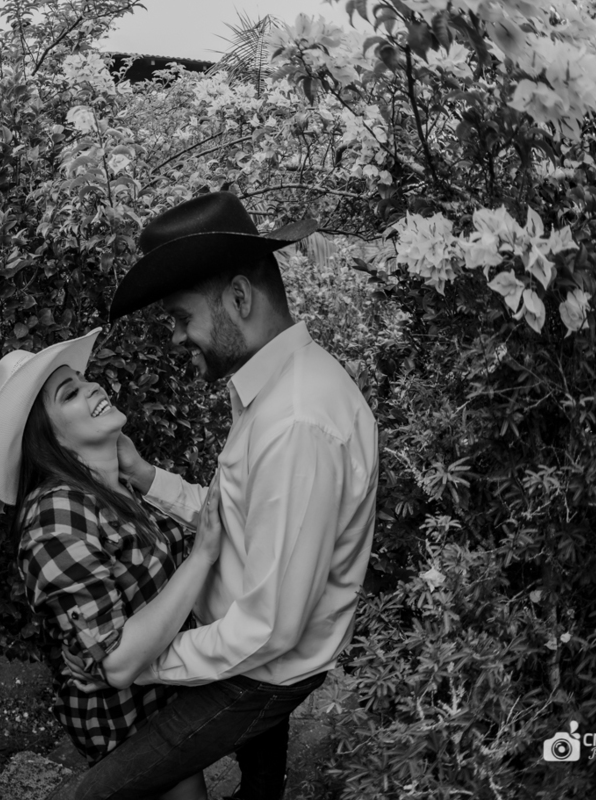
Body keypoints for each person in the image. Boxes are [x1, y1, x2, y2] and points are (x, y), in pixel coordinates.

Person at [50, 191, 380, 800]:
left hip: (259, 673)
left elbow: (269, 629)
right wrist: (147, 477)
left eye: (182, 318)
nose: (176, 337)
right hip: (250, 648)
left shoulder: (296, 422)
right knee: (260, 783)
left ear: (239, 298)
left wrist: (140, 662)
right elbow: (243, 517)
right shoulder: (275, 389)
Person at [0, 327, 227, 800]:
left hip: (168, 691)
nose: (93, 386)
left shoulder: (115, 486)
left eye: (84, 379)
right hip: (127, 718)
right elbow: (116, 661)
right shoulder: (55, 518)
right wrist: (203, 556)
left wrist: (142, 474)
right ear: (49, 438)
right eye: (70, 393)